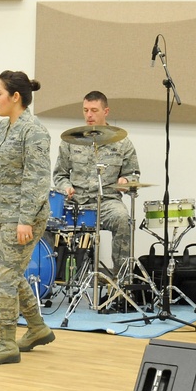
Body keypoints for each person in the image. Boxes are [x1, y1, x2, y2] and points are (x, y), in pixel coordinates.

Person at [0, 70, 54, 365]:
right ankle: (37, 329)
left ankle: (6, 343)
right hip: (1, 214)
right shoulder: (1, 129)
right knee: (10, 274)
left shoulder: (34, 131)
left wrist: (25, 219)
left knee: (3, 276)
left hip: (23, 216)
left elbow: (38, 179)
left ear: (15, 97)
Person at [53, 91, 139, 281]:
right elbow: (59, 175)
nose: (89, 115)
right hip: (76, 202)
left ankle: (122, 280)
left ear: (105, 111)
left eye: (94, 110)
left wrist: (126, 181)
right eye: (85, 110)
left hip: (108, 201)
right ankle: (49, 277)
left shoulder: (122, 142)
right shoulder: (70, 141)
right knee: (44, 217)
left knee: (123, 219)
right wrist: (66, 187)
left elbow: (133, 173)